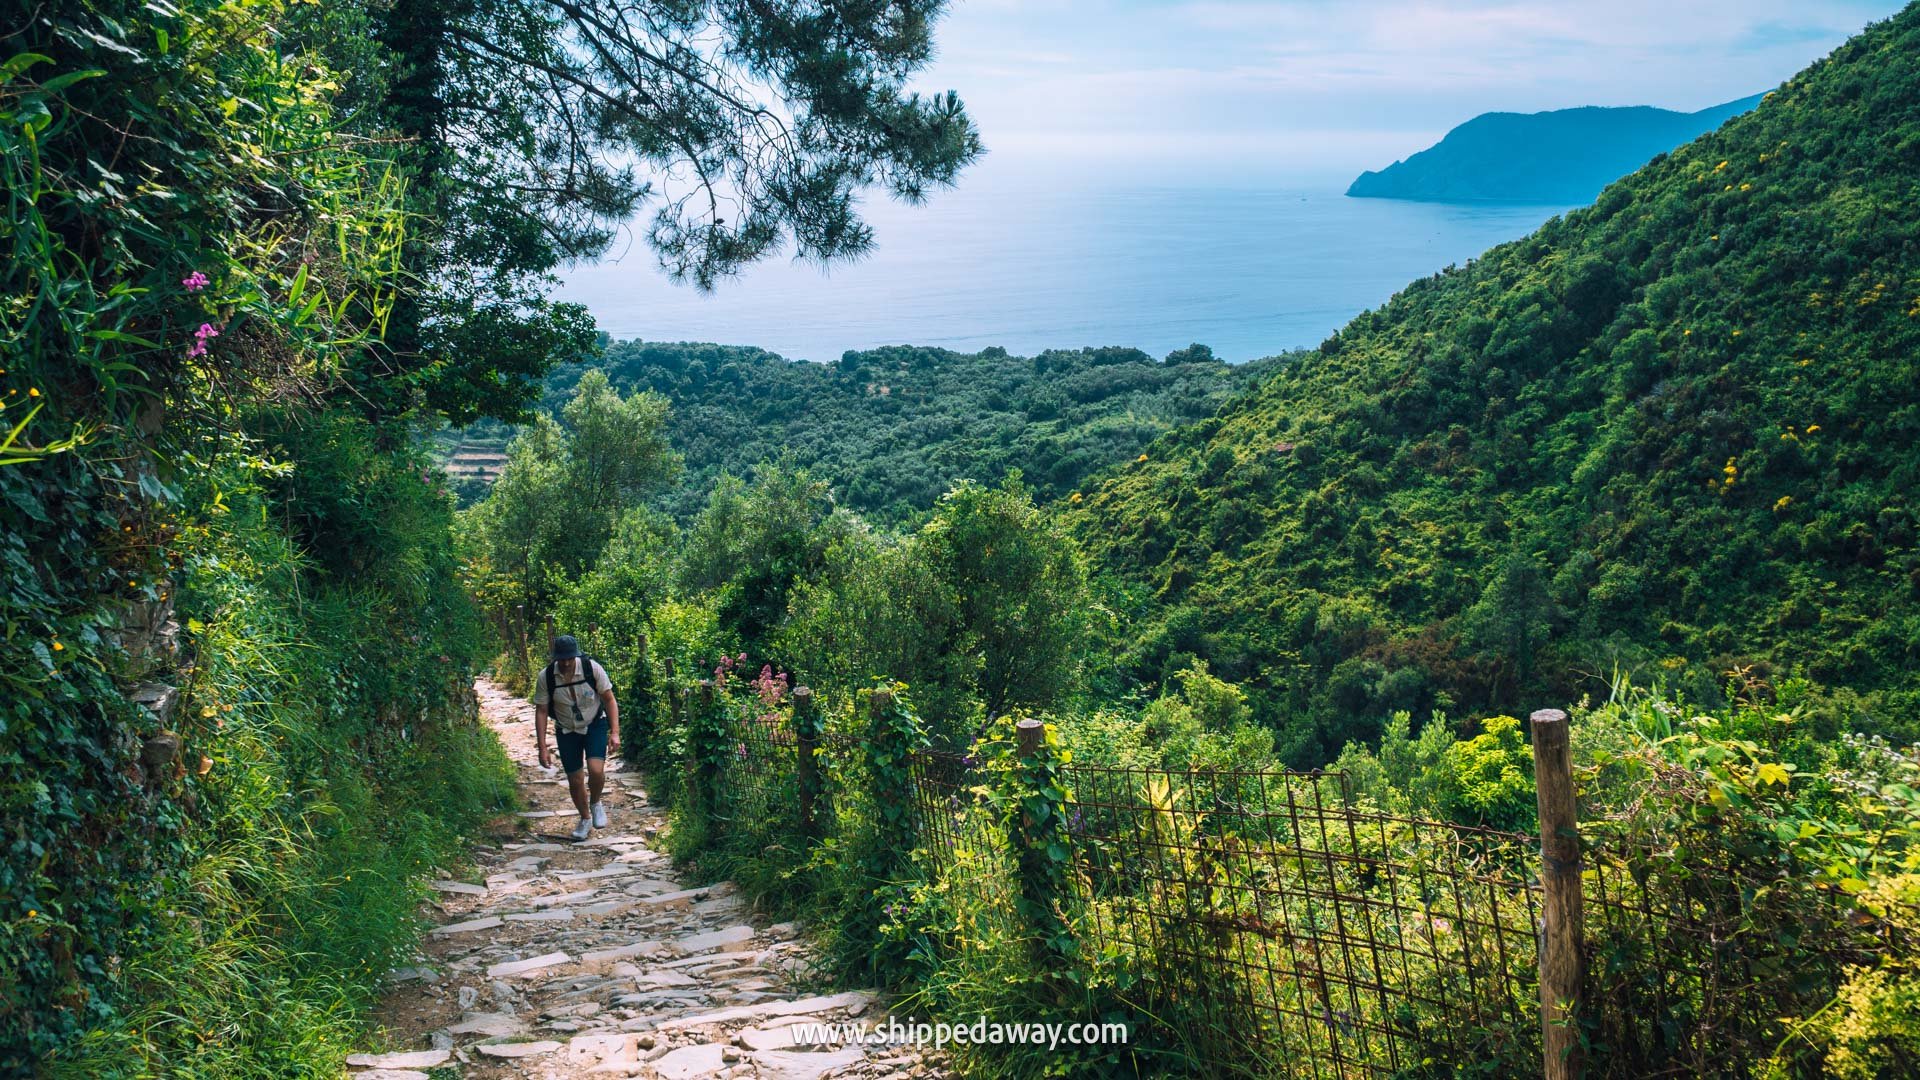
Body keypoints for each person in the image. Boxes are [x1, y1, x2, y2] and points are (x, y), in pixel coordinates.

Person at [531, 635, 621, 841]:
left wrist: (614, 732)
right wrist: (542, 746)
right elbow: (542, 711)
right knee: (575, 779)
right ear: (555, 658)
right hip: (566, 730)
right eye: (561, 659)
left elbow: (609, 699)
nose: (566, 663)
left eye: (569, 658)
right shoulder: (546, 677)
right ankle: (585, 818)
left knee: (596, 770)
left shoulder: (592, 668)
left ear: (576, 656)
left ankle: (596, 802)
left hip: (595, 724)